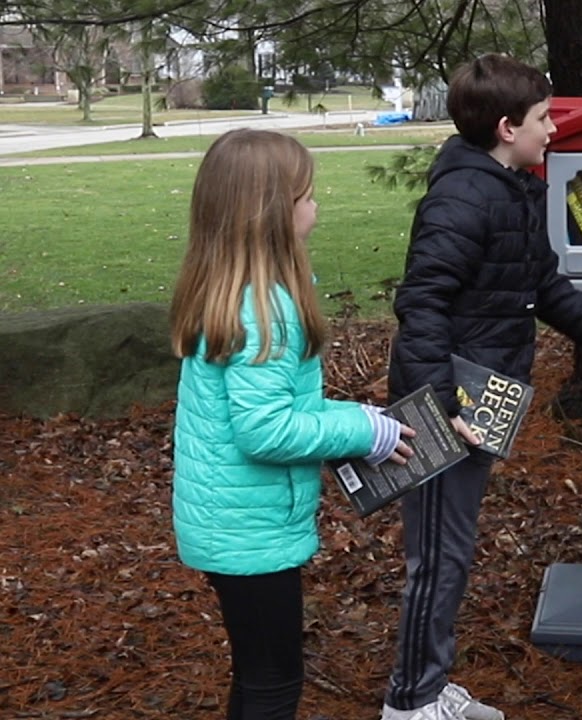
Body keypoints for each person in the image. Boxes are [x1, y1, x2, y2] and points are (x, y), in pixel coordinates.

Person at [381, 54, 582, 720]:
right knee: (437, 559)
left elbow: (542, 282)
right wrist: (441, 413)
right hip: (450, 407)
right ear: (507, 127)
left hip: (481, 394)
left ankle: (431, 683)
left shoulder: (509, 189)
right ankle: (409, 704)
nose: (554, 129)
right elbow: (422, 306)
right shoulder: (464, 199)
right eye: (542, 118)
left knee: (452, 551)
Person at [169, 128, 417, 720]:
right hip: (248, 532)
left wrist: (359, 416)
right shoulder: (265, 309)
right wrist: (364, 433)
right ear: (272, 211)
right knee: (274, 683)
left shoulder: (233, 290)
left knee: (259, 674)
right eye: (307, 195)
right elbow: (267, 431)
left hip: (228, 520)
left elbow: (277, 410)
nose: (316, 206)